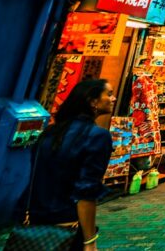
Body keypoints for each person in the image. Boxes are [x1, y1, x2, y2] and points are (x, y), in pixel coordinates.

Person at [23, 79, 114, 251]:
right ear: (93, 101)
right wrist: (90, 241)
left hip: (35, 221)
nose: (113, 98)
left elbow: (35, 176)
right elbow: (86, 192)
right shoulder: (97, 136)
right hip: (68, 223)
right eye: (109, 94)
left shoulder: (49, 133)